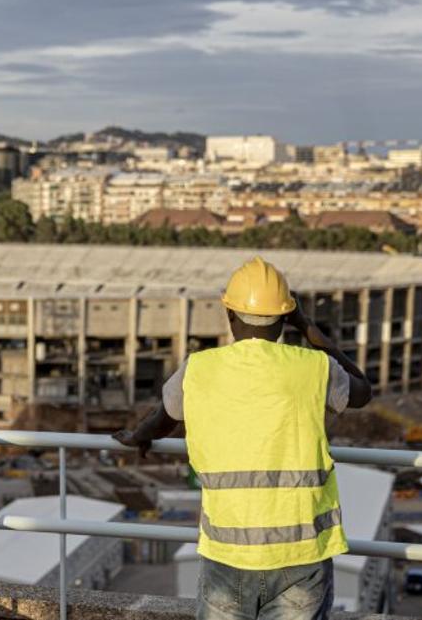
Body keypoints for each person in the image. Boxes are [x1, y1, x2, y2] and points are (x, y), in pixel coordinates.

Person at [115, 256, 372, 620]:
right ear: (284, 318)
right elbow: (362, 390)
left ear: (230, 315)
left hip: (228, 553)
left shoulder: (199, 368)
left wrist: (139, 435)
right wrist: (308, 327)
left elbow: (163, 418)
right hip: (301, 555)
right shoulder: (315, 368)